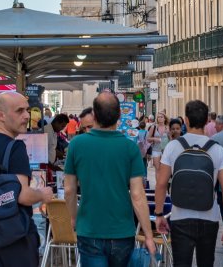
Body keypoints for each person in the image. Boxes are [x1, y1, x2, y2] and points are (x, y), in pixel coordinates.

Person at [63, 93, 156, 267]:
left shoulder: (76, 144)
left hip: (89, 229)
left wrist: (74, 218)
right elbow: (137, 195)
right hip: (122, 230)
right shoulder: (130, 147)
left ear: (95, 116)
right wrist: (149, 236)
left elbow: (69, 190)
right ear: (119, 115)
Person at [0, 92, 53, 267]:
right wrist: (43, 193)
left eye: (27, 111)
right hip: (14, 236)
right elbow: (23, 196)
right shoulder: (15, 148)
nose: (27, 116)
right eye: (20, 111)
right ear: (1, 116)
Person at [154, 100, 223, 267]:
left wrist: (159, 214)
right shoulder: (217, 149)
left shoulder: (173, 147)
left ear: (186, 120)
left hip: (180, 216)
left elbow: (161, 184)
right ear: (207, 121)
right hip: (209, 217)